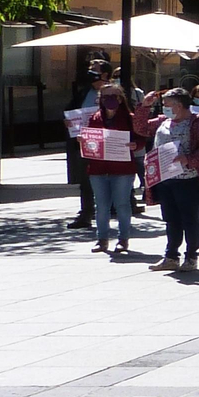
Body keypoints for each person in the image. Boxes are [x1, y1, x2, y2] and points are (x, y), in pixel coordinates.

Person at [140, 87, 199, 273]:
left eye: (167, 105)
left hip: (188, 179)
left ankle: (191, 256)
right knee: (171, 219)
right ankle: (171, 256)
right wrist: (144, 106)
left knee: (190, 219)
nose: (164, 108)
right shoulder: (163, 121)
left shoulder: (198, 122)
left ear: (179, 105)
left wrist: (189, 160)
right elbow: (141, 128)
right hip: (166, 178)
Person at [81, 81, 144, 255]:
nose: (111, 100)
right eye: (106, 96)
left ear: (121, 98)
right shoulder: (95, 118)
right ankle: (102, 239)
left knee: (122, 204)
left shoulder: (130, 118)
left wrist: (135, 145)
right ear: (101, 99)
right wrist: (84, 140)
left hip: (122, 169)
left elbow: (141, 139)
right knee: (101, 206)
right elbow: (90, 140)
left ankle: (123, 239)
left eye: (115, 96)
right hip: (98, 169)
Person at [62, 56, 109, 230]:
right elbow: (70, 110)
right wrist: (68, 121)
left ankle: (108, 211)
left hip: (106, 143)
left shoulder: (113, 92)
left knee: (106, 181)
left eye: (95, 69)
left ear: (104, 74)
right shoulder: (84, 92)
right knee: (86, 180)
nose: (91, 72)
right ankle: (86, 214)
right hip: (84, 142)